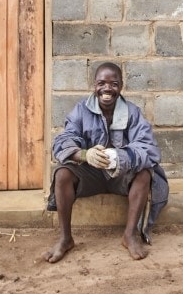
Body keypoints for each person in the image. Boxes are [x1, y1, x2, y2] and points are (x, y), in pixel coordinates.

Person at [43, 62, 169, 262]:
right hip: (91, 175)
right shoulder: (81, 110)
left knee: (145, 172)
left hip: (121, 176)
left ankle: (130, 235)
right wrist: (84, 155)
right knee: (62, 174)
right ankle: (65, 238)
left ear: (121, 86)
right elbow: (63, 140)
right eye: (102, 83)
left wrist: (119, 158)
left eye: (114, 83)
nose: (107, 89)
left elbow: (149, 149)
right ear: (94, 85)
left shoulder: (132, 112)